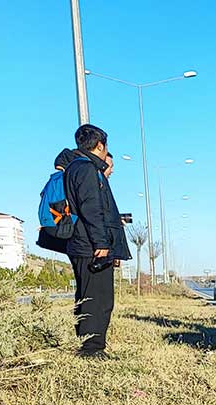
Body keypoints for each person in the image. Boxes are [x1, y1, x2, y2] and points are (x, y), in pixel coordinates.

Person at [62, 124, 131, 359]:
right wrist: (101, 244)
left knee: (88, 295)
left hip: (83, 243)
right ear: (100, 145)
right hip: (91, 245)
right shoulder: (87, 169)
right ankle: (92, 349)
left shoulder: (75, 167)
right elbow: (92, 209)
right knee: (98, 298)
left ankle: (88, 344)